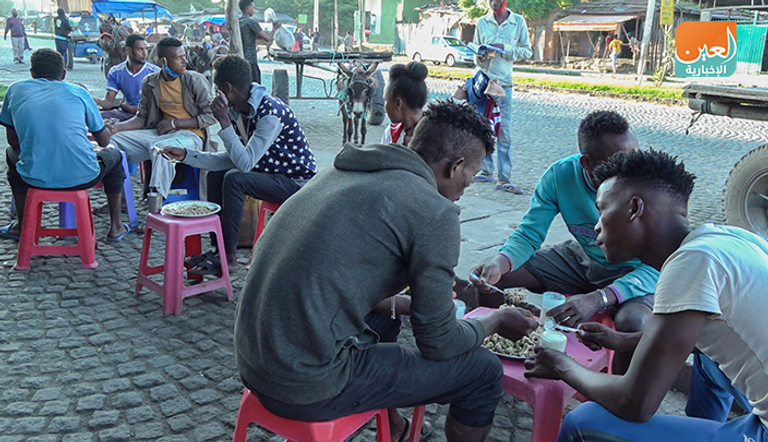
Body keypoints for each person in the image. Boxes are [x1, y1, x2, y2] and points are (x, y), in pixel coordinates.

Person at [234, 99, 539, 442]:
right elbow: (438, 342)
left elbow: (330, 278)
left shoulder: (343, 170)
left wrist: (407, 303)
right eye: (471, 176)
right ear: (455, 167)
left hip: (252, 359)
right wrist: (496, 320)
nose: (466, 188)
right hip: (303, 383)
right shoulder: (434, 212)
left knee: (388, 318)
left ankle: (393, 427)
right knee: (482, 371)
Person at [524, 148, 768, 442]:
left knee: (583, 422)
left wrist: (562, 366)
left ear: (634, 209)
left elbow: (634, 404)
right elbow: (698, 337)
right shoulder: (729, 238)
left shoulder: (691, 262)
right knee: (709, 358)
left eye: (602, 209)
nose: (596, 225)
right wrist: (622, 340)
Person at [470, 111, 658, 374]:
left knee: (634, 321)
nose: (631, 168)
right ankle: (489, 361)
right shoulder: (560, 176)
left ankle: (616, 395)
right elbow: (529, 234)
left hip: (636, 273)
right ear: (587, 163)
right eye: (619, 161)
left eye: (634, 156)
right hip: (584, 258)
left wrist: (600, 298)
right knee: (494, 279)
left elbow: (660, 264)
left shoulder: (646, 184)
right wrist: (498, 263)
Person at [162, 55, 317, 275]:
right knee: (217, 175)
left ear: (227, 88)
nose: (215, 96)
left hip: (298, 183)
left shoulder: (269, 113)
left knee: (234, 179)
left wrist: (224, 122)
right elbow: (233, 157)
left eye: (217, 89)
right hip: (270, 173)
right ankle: (220, 249)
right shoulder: (240, 112)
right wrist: (187, 155)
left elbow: (244, 165)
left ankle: (229, 257)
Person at [0, 48, 128, 242]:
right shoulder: (78, 92)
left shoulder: (15, 90)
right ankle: (116, 227)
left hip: (32, 177)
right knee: (115, 157)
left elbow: (14, 142)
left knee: (12, 155)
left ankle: (21, 225)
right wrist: (108, 128)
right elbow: (103, 141)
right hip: (83, 176)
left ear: (32, 72)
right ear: (64, 74)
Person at [107, 37, 214, 199]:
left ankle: (156, 203)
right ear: (164, 61)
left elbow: (210, 116)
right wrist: (117, 127)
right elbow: (141, 118)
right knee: (112, 141)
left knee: (163, 150)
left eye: (184, 56)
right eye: (179, 58)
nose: (185, 61)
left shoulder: (195, 80)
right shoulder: (150, 82)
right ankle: (120, 198)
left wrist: (175, 123)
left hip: (191, 136)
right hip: (159, 134)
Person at [471, 0, 532, 195]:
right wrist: (480, 55)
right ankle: (486, 170)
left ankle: (504, 177)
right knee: (482, 127)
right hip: (483, 82)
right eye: (490, 0)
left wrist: (503, 48)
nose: (493, 3)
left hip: (503, 83)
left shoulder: (518, 22)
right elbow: (475, 54)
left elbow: (527, 51)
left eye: (497, 0)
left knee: (503, 130)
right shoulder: (482, 22)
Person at [94, 34, 160, 122]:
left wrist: (134, 109)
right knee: (96, 117)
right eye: (140, 49)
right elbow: (108, 102)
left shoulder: (155, 72)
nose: (145, 54)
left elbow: (160, 103)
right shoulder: (115, 72)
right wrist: (96, 101)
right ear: (129, 50)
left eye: (146, 49)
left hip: (147, 115)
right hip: (125, 113)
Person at [381, 62, 428, 146]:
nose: (384, 107)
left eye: (386, 100)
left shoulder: (434, 137)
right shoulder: (390, 133)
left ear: (398, 104)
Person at [239, 0, 279, 84]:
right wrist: (275, 28)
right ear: (247, 8)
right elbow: (267, 38)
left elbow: (256, 36)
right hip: (250, 61)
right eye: (252, 8)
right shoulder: (251, 22)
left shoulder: (238, 22)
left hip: (239, 61)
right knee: (255, 88)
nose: (253, 10)